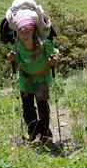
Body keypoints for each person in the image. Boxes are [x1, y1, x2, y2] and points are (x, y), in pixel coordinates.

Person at [6, 11, 59, 143]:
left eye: (27, 32)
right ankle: (32, 130)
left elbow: (55, 54)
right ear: (17, 32)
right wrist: (11, 58)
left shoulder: (44, 43)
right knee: (28, 108)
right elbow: (16, 61)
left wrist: (54, 60)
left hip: (41, 79)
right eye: (21, 32)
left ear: (33, 31)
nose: (24, 35)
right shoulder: (17, 46)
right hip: (25, 80)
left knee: (42, 106)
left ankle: (45, 133)